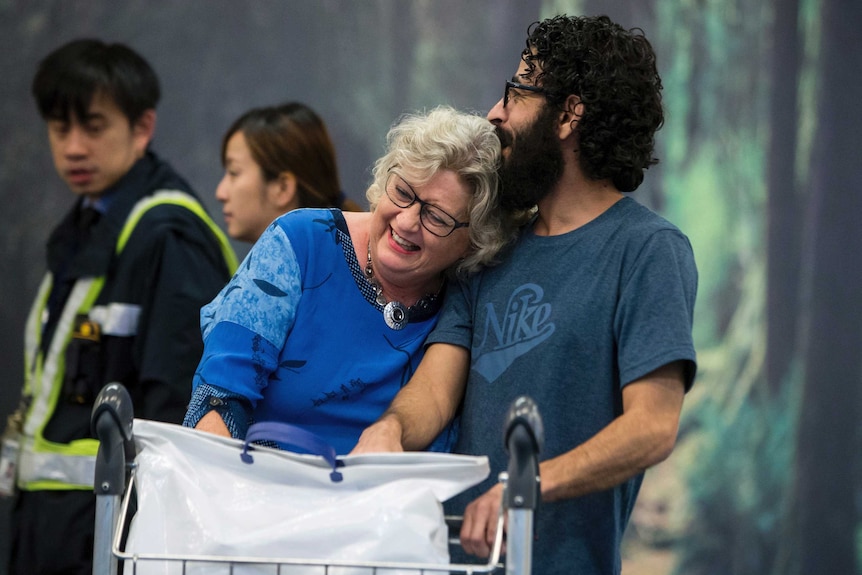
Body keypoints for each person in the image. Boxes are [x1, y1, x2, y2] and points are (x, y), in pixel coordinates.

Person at [352, 14, 698, 575]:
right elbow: (437, 392)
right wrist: (389, 430)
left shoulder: (648, 249)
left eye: (517, 91)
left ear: (568, 114)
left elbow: (652, 427)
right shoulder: (491, 246)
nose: (495, 113)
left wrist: (528, 485)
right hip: (445, 563)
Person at [7, 39, 238, 575]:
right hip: (53, 525)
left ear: (142, 128)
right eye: (60, 129)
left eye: (93, 126)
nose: (73, 148)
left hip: (112, 528)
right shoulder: (83, 228)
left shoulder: (168, 234)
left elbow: (176, 408)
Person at [183, 105, 514, 454]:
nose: (406, 222)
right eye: (402, 192)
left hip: (383, 502)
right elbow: (220, 393)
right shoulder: (300, 243)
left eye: (436, 217)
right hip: (258, 488)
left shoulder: (466, 294)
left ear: (474, 240)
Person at [216, 101, 363, 244]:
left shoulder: (319, 266)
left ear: (283, 187)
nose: (220, 193)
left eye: (234, 172)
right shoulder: (336, 256)